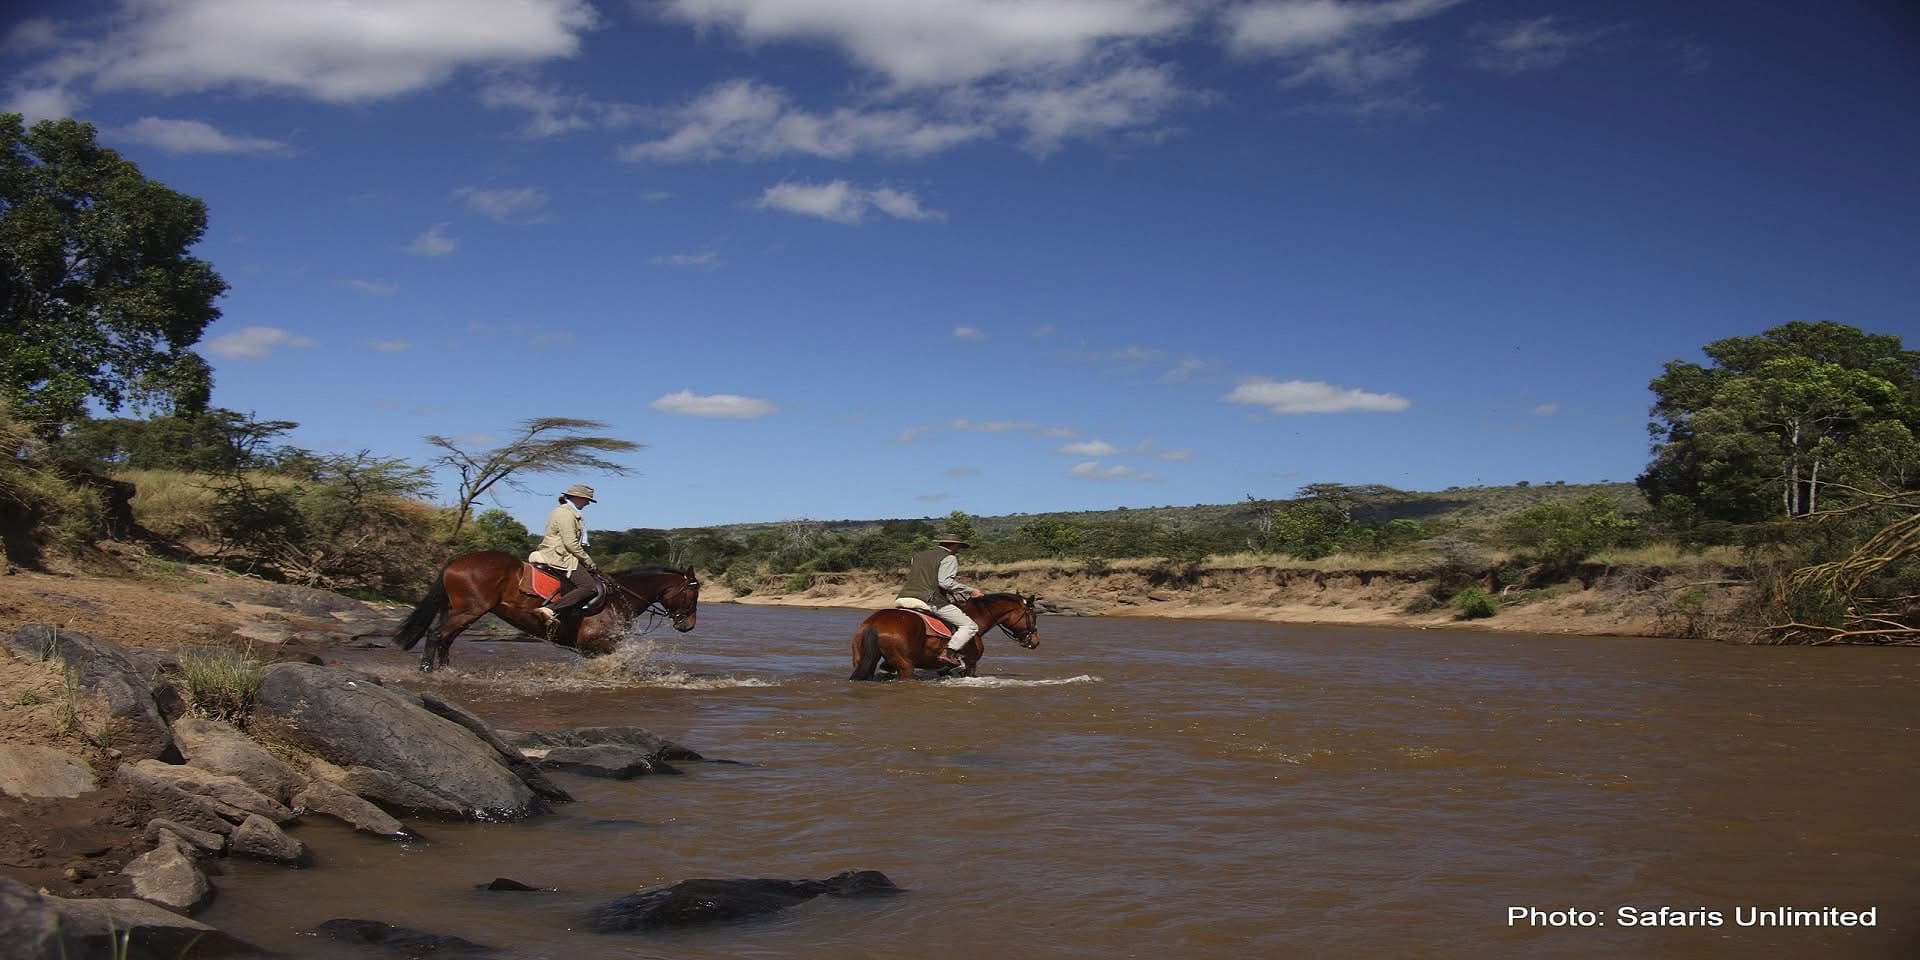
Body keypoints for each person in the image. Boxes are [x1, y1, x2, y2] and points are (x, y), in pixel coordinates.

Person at [899, 534, 977, 668]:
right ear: (952, 545)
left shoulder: (917, 556)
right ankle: (948, 653)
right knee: (969, 626)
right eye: (958, 547)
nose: (958, 550)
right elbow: (945, 583)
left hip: (904, 597)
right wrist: (970, 590)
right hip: (930, 599)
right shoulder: (950, 557)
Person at [529, 483, 601, 623]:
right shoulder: (565, 513)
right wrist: (588, 560)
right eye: (586, 500)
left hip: (564, 553)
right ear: (577, 498)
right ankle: (551, 609)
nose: (587, 503)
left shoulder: (570, 513)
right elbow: (570, 543)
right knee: (589, 587)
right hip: (559, 556)